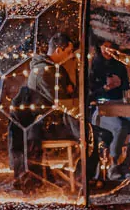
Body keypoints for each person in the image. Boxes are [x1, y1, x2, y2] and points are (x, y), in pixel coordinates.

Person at [8, 33, 79, 192]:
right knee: (83, 133)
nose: (70, 56)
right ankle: (80, 176)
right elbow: (60, 100)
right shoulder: (45, 70)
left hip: (43, 122)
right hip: (47, 123)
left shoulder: (50, 68)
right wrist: (67, 93)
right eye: (68, 52)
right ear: (59, 50)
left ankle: (71, 175)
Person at [87, 40, 130, 181]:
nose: (107, 50)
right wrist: (106, 88)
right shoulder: (92, 66)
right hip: (100, 110)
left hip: (120, 107)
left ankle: (128, 162)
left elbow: (126, 90)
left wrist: (121, 85)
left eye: (111, 47)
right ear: (99, 46)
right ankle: (113, 165)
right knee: (119, 127)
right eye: (105, 46)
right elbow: (88, 96)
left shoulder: (119, 66)